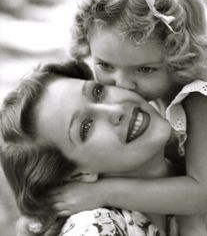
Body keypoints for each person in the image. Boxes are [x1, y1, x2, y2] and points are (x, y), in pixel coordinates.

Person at [65, 0, 207, 235]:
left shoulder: (205, 99)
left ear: (182, 56)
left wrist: (102, 192)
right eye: (105, 65)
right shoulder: (147, 100)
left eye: (145, 69)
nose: (123, 85)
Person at [0, 59, 176, 236]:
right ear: (79, 174)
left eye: (98, 92)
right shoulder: (94, 228)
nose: (116, 111)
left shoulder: (193, 157)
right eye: (86, 127)